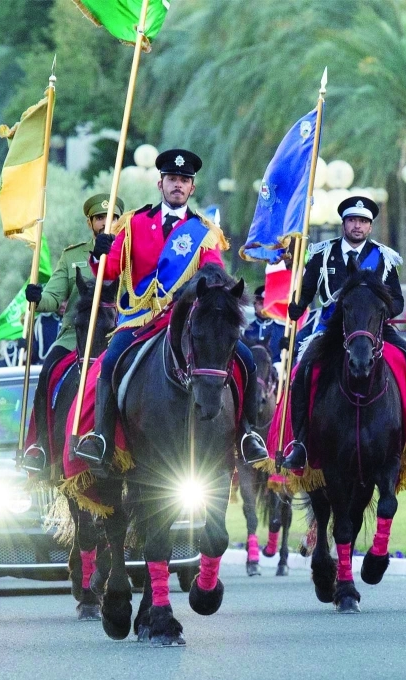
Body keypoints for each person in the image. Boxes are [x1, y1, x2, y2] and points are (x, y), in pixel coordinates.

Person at [74, 149, 269, 470]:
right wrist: (100, 254)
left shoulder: (203, 232)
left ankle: (246, 435)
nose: (178, 185)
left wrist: (212, 287)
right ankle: (102, 438)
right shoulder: (134, 223)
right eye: (172, 179)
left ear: (192, 188)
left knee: (245, 357)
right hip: (139, 319)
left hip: (186, 321)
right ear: (160, 183)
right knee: (109, 363)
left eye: (184, 181)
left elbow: (214, 272)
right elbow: (107, 274)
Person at [281, 196, 406, 472]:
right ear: (344, 223)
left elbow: (398, 301)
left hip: (372, 330)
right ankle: (301, 443)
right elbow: (307, 292)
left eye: (364, 222)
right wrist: (296, 307)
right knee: (302, 372)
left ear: (370, 227)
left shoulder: (383, 257)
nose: (358, 226)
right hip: (332, 329)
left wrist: (379, 308)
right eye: (353, 220)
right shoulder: (322, 254)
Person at [21, 193, 124, 471]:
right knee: (48, 374)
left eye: (112, 218)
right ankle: (41, 446)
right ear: (90, 223)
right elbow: (53, 298)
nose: (106, 223)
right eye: (100, 218)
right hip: (73, 338)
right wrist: (35, 297)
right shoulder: (73, 256)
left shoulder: (129, 252)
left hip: (119, 335)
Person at [244, 285, 284, 364]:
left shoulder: (283, 330)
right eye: (261, 303)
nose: (264, 308)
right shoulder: (247, 330)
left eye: (267, 304)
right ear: (254, 304)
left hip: (276, 371)